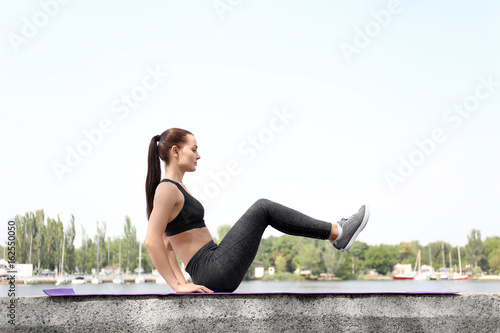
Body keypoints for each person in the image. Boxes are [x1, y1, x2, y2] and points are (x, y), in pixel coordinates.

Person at [145, 128, 370, 293]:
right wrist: (177, 286)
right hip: (212, 270)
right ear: (175, 151)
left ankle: (337, 233)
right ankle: (338, 233)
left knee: (263, 209)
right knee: (263, 208)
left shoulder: (177, 188)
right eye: (193, 149)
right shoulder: (167, 189)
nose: (199, 155)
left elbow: (167, 244)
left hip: (211, 267)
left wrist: (183, 283)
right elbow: (153, 241)